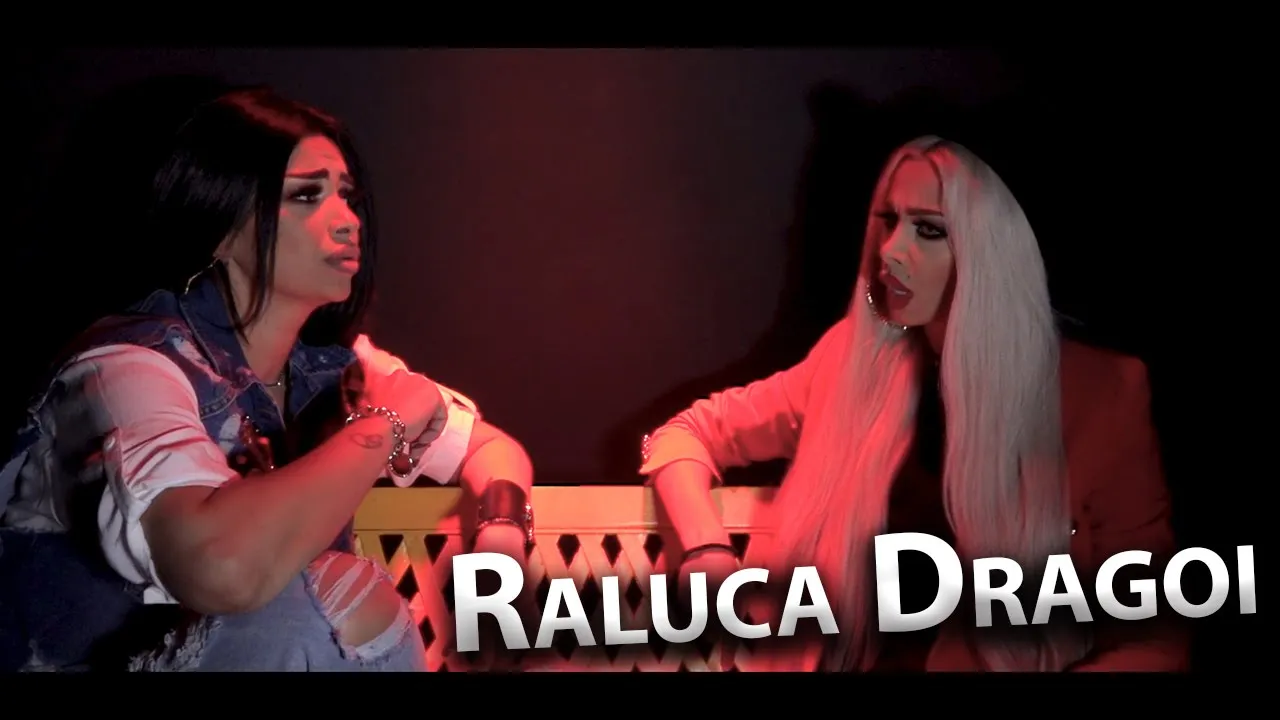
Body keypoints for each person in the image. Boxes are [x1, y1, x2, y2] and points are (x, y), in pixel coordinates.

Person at [0, 86, 534, 672]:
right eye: (307, 196)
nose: (347, 221)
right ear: (222, 227)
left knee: (336, 596)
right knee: (323, 598)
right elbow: (224, 569)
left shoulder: (336, 369)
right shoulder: (127, 369)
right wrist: (384, 425)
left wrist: (501, 536)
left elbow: (492, 450)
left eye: (347, 196)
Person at [639, 135, 1187, 672]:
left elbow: (1153, 635)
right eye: (889, 221)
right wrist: (706, 551)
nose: (890, 250)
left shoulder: (1100, 393)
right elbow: (685, 433)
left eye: (928, 229)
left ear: (986, 250)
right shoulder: (849, 366)